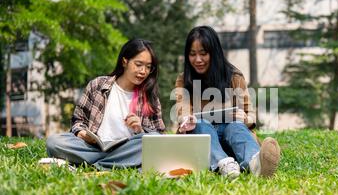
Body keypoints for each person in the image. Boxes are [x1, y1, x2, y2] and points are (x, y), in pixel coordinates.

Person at [174, 26, 281, 179]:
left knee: (235, 126)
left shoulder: (234, 76)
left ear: (214, 53)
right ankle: (224, 164)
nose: (198, 60)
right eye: (192, 54)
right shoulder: (184, 79)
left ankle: (255, 163)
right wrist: (187, 119)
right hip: (204, 141)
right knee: (200, 123)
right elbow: (182, 109)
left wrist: (243, 118)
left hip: (232, 140)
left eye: (203, 54)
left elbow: (250, 115)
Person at [46, 39, 165, 170]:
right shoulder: (98, 85)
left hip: (127, 149)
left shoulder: (149, 97)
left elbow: (158, 137)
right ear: (124, 61)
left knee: (152, 140)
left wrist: (139, 129)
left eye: (148, 67)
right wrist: (81, 133)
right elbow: (78, 119)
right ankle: (116, 164)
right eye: (138, 64)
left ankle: (93, 166)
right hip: (93, 148)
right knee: (54, 142)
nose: (143, 71)